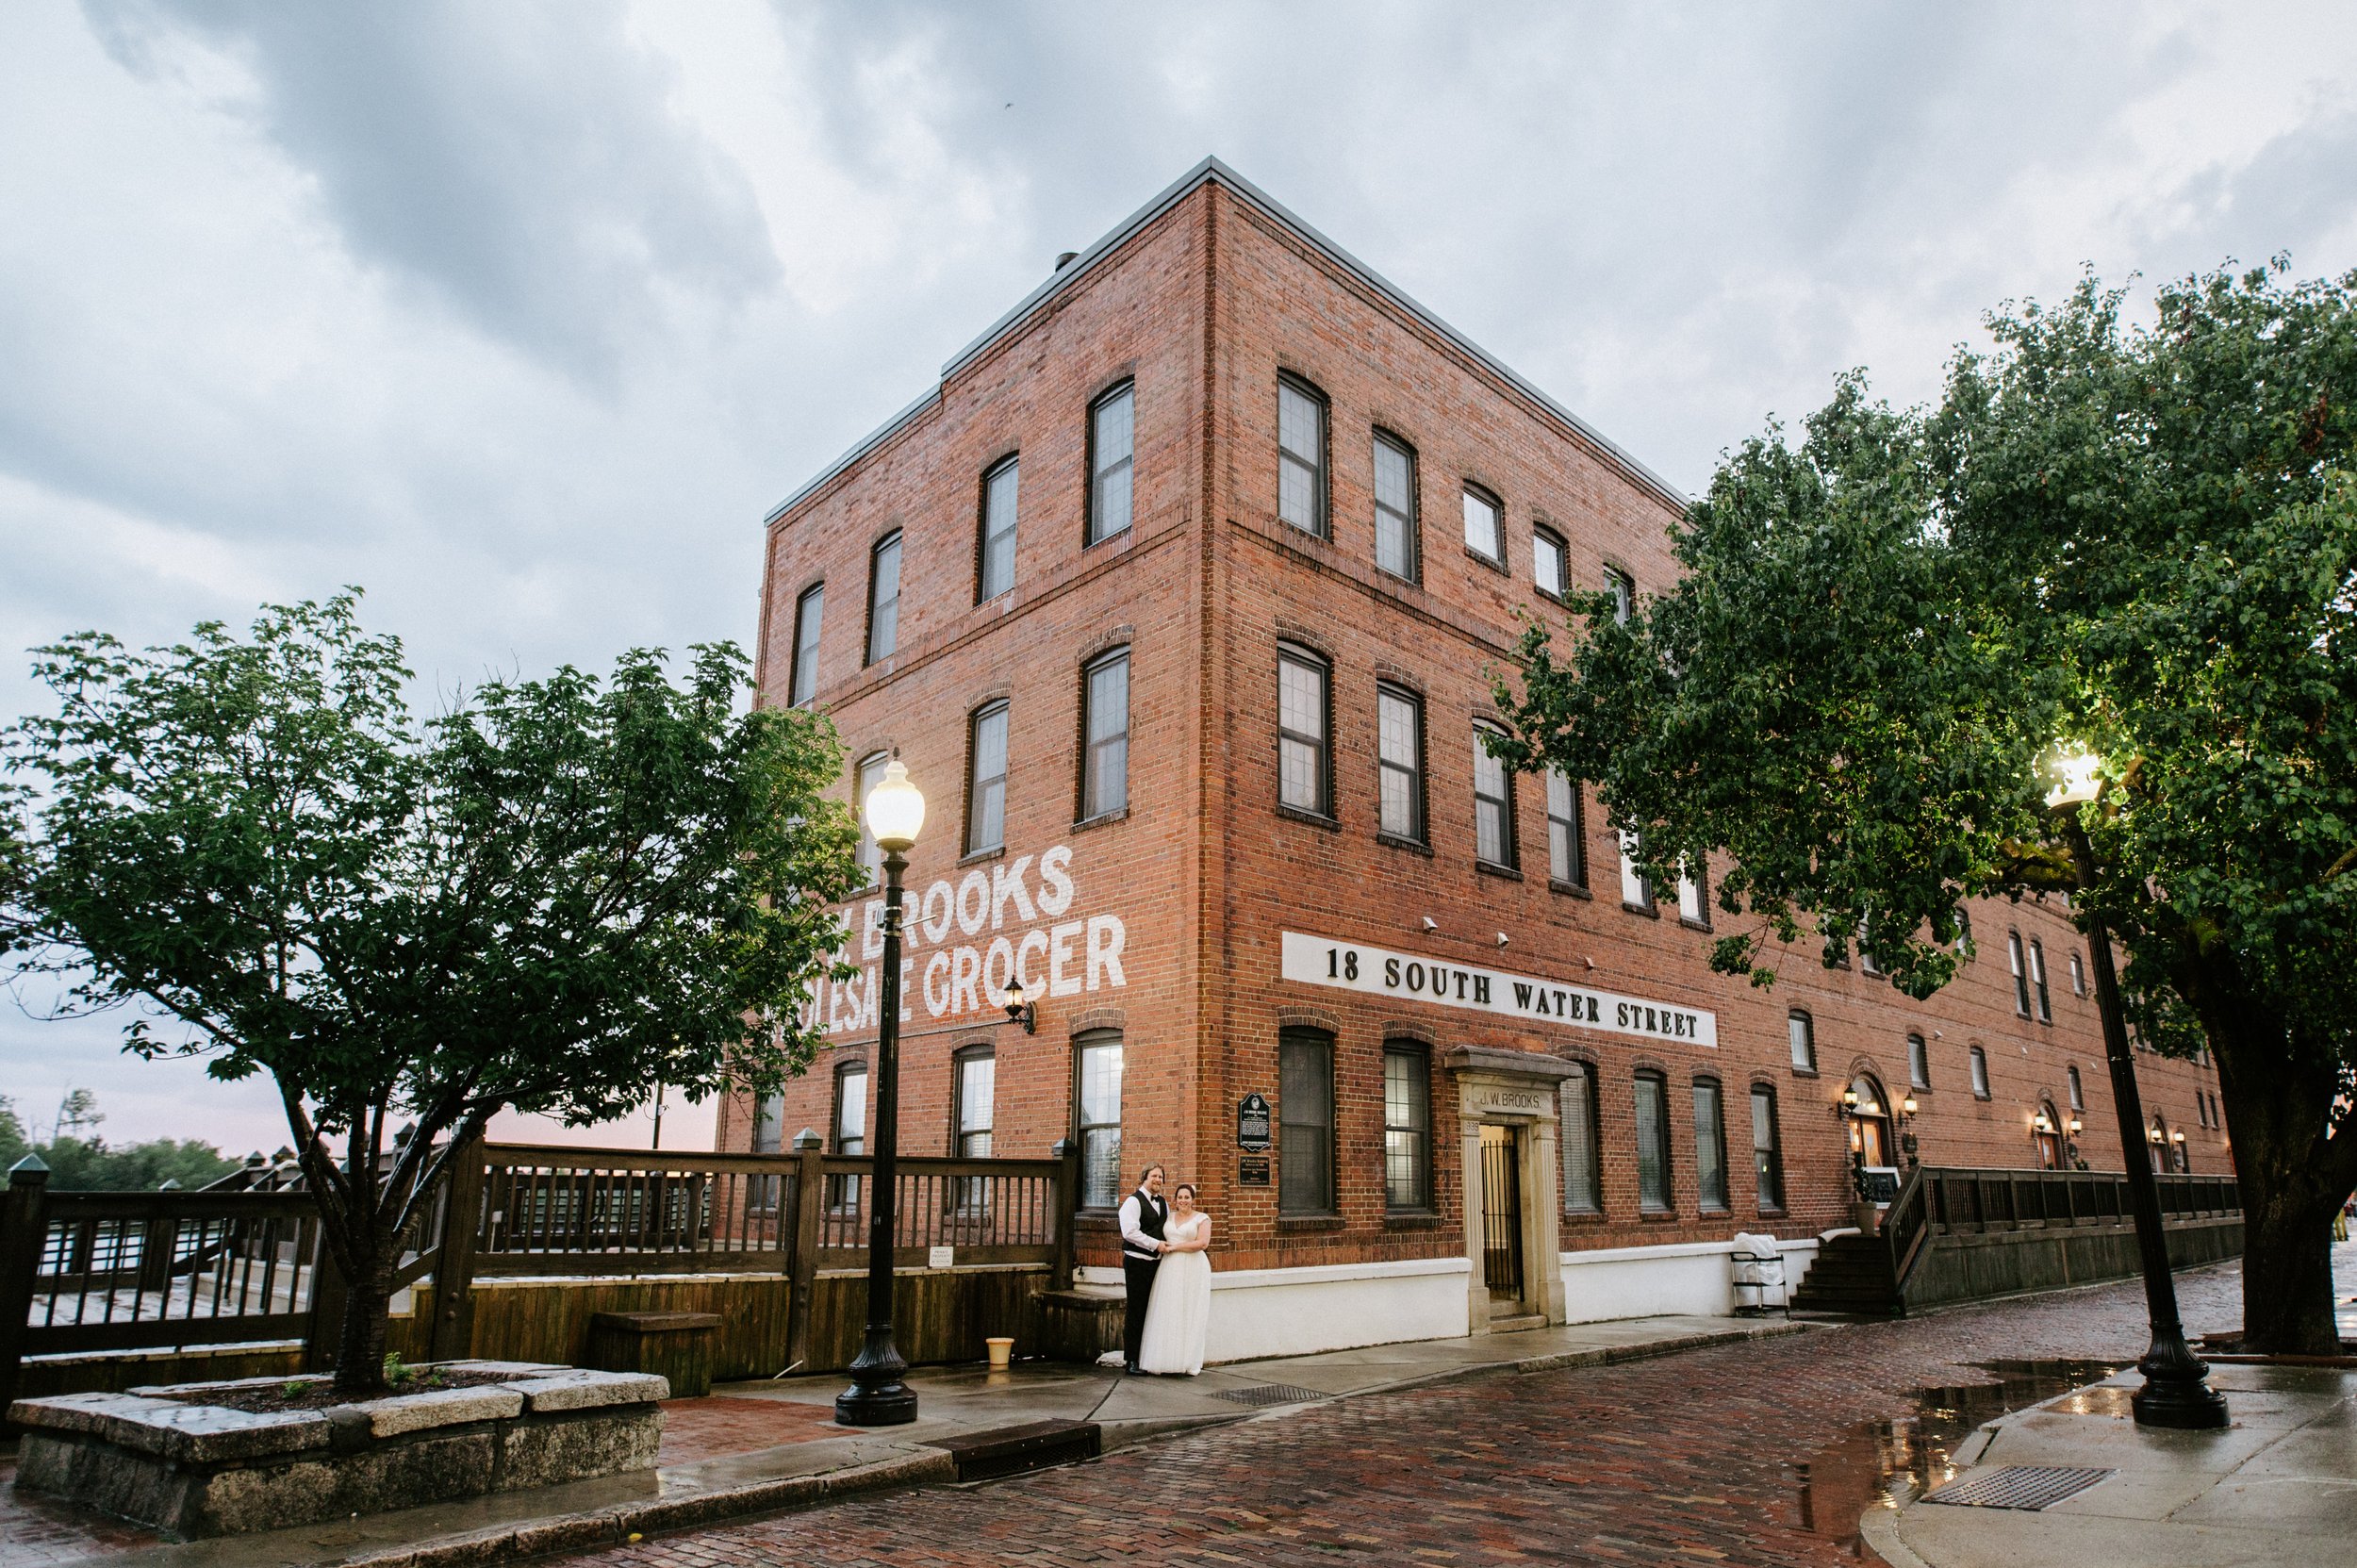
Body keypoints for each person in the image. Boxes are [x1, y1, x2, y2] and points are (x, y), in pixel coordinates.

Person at [1138, 1181, 1212, 1376]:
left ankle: (1187, 1360)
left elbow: (1202, 1243)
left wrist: (1175, 1247)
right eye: (1180, 1197)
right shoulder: (1169, 1216)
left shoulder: (1202, 1219)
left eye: (1187, 1197)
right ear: (1176, 1200)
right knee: (1169, 1309)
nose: (1183, 1201)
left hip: (1193, 1266)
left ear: (1193, 1200)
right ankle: (1164, 1358)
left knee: (1188, 1309)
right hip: (1170, 1267)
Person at [1116, 1163, 1168, 1375]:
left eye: (1161, 1177)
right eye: (1154, 1176)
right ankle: (1131, 1360)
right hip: (1137, 1261)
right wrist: (1155, 1244)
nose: (1158, 1180)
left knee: (1153, 1310)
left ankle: (1148, 1355)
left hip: (1157, 1263)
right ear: (1144, 1178)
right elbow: (1129, 1232)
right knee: (1136, 1310)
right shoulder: (1133, 1202)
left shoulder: (1164, 1203)